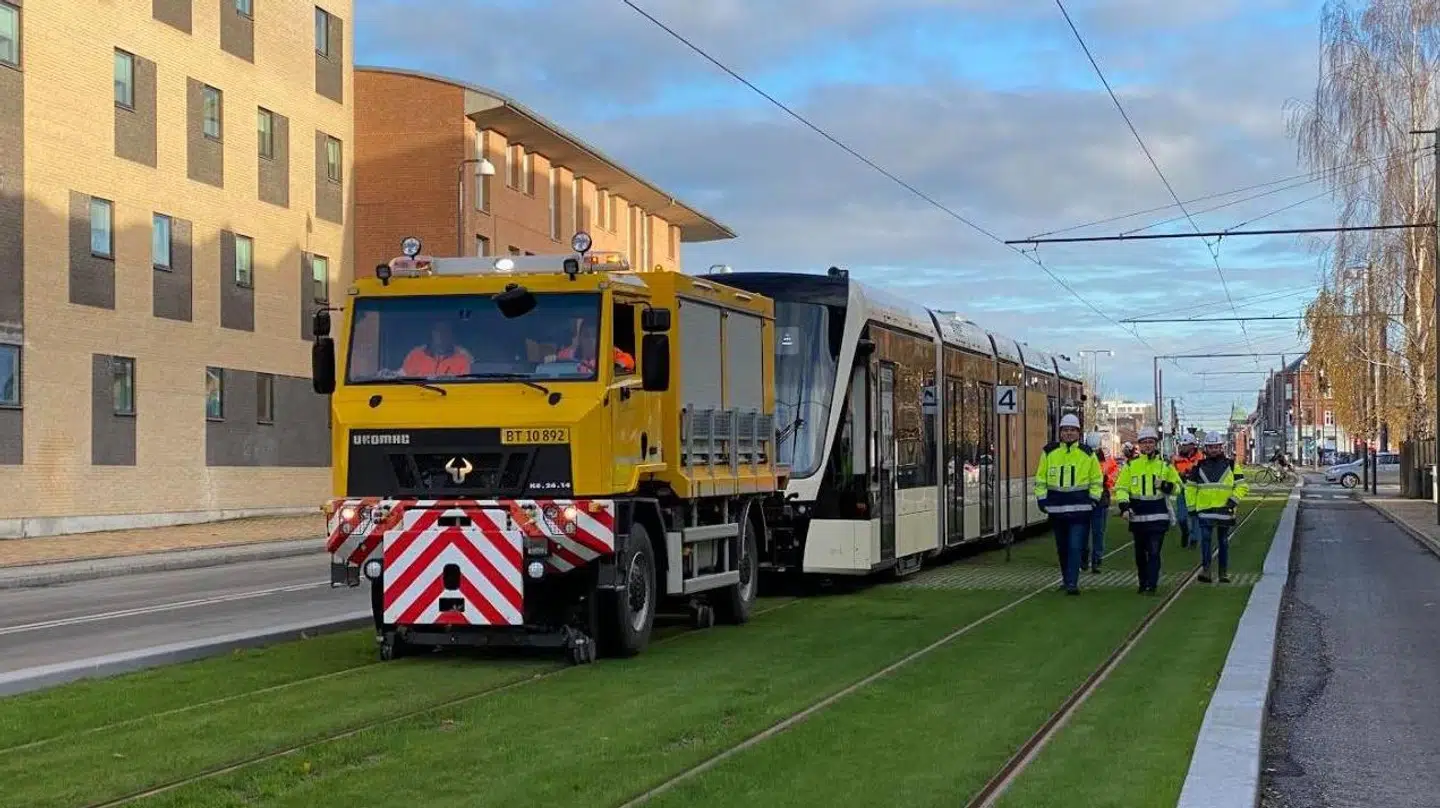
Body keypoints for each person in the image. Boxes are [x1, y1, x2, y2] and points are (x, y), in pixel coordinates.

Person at [1034, 413, 1103, 595]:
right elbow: (1040, 478)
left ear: (1078, 433)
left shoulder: (1087, 454)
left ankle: (1072, 583)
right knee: (1062, 548)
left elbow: (1096, 480)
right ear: (1060, 432)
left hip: (1080, 509)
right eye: (1066, 430)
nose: (1069, 433)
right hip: (1057, 509)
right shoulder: (1049, 452)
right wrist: (1041, 499)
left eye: (1073, 430)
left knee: (1074, 546)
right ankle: (1066, 580)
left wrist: (1094, 499)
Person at [1115, 426, 1182, 595]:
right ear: (1139, 445)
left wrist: (1166, 485)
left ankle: (1152, 584)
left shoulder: (1165, 465)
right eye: (1144, 443)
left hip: (1158, 516)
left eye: (1150, 442)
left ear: (1156, 444)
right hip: (1138, 517)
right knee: (1140, 553)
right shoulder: (1131, 466)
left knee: (1154, 551)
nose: (1147, 446)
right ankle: (1142, 581)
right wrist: (1124, 507)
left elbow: (1179, 488)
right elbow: (1122, 488)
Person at [1186, 431, 1249, 583]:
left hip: (1224, 510)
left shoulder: (1232, 465)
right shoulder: (1198, 466)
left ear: (1221, 447)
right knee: (1206, 540)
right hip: (1205, 510)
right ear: (1205, 448)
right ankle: (1206, 570)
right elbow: (1190, 487)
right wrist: (1191, 507)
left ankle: (1223, 572)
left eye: (1216, 447)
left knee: (1223, 542)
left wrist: (1233, 501)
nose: (1214, 450)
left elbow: (1242, 486)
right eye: (1211, 447)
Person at [1081, 439, 1119, 574]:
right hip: (1085, 500)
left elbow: (1114, 476)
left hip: (1101, 500)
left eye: (1095, 449)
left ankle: (1096, 560)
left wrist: (1106, 480)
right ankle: (1084, 558)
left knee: (1098, 532)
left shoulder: (1108, 461)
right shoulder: (1082, 457)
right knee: (1084, 532)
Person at [546, 319, 635, 375]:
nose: (590, 340)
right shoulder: (568, 354)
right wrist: (550, 359)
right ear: (580, 338)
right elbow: (550, 362)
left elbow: (628, 360)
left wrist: (615, 366)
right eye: (586, 336)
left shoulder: (611, 353)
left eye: (594, 336)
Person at [401, 320, 472, 377]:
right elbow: (402, 378)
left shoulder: (463, 358)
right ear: (432, 334)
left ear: (451, 335)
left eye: (445, 331)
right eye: (438, 331)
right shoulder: (415, 356)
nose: (441, 335)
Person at [1171, 433, 1203, 548]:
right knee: (1181, 518)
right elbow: (1171, 473)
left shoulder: (1200, 458)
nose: (1183, 447)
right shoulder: (1176, 459)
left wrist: (1191, 472)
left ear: (1193, 446)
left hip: (1196, 490)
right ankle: (1185, 532)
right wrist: (1179, 475)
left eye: (1186, 445)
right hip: (1182, 490)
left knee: (1195, 516)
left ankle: (1194, 539)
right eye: (1182, 444)